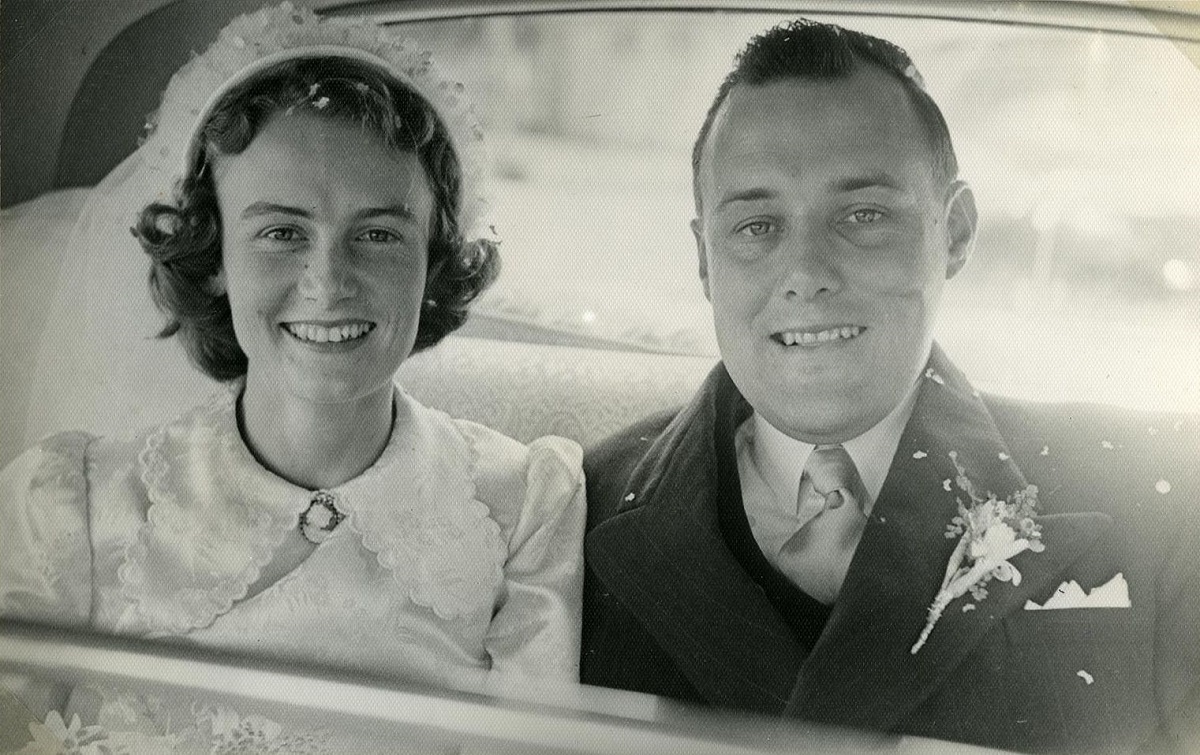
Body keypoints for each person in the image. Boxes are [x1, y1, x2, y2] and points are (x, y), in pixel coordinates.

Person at [581, 18, 1199, 754]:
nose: (806, 271)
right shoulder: (580, 505)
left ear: (957, 232)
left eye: (863, 214)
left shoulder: (1158, 500)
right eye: (756, 225)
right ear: (704, 259)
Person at [0, 4, 584, 748]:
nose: (328, 279)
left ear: (433, 259)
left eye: (378, 233)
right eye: (281, 232)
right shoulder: (70, 504)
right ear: (212, 256)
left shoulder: (525, 503)